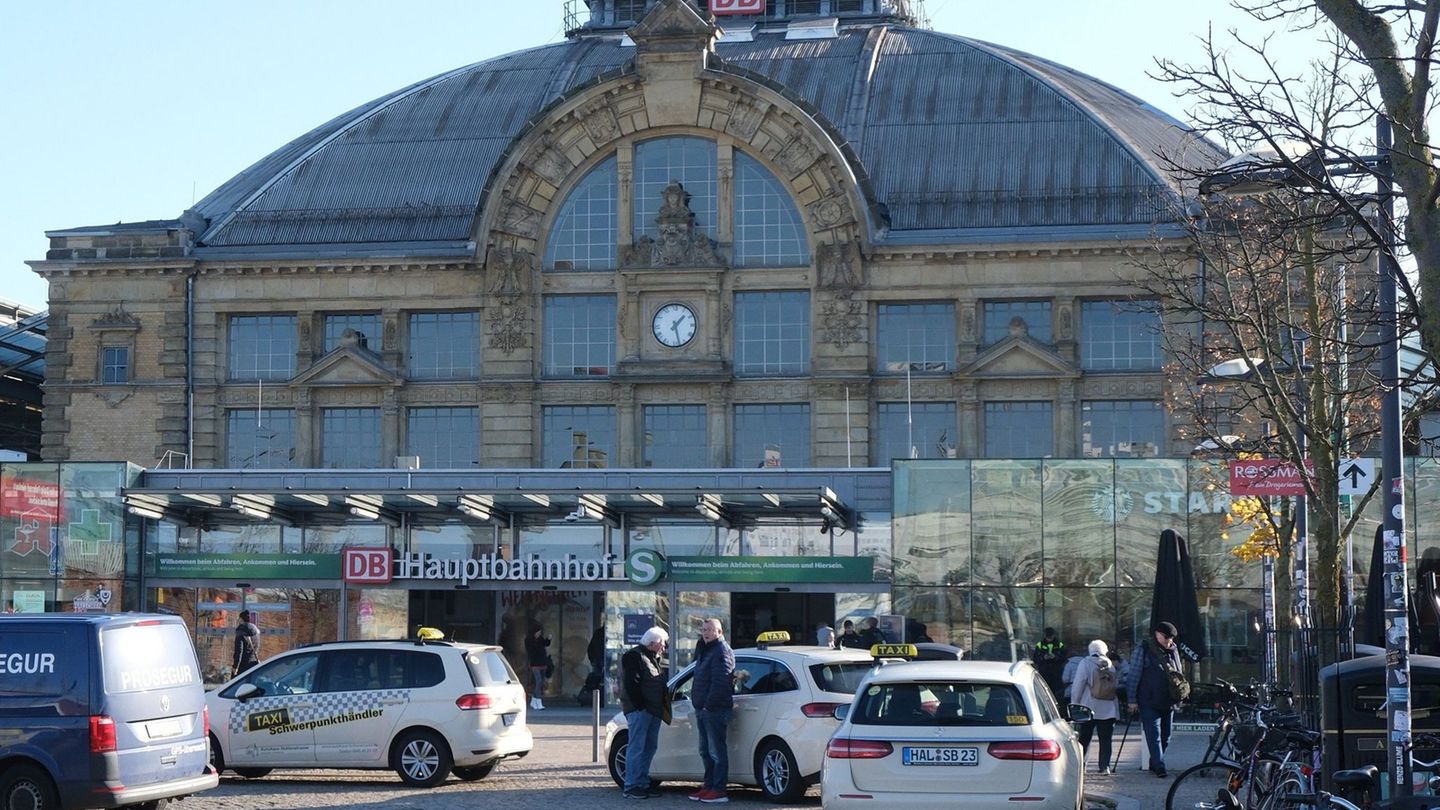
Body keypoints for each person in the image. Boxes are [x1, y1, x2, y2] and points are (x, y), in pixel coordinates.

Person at [1126, 621, 1184, 778]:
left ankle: (1154, 762)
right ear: (1157, 634)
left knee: (1166, 736)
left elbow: (1178, 673)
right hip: (1148, 700)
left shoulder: (1173, 650)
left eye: (1171, 638)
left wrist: (1180, 696)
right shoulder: (1143, 649)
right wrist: (1132, 699)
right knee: (1154, 734)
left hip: (1168, 700)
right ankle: (1159, 766)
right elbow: (1134, 675)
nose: (1169, 641)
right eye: (1166, 637)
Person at [620, 626, 669, 800]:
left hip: (653, 710)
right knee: (637, 748)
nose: (664, 647)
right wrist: (640, 706)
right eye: (662, 643)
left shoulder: (653, 658)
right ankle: (631, 786)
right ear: (652, 642)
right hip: (641, 710)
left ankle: (642, 783)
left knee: (649, 748)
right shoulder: (634, 656)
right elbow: (631, 684)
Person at [689, 618, 735, 803]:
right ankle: (708, 786)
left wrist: (709, 705)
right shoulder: (704, 649)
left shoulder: (722, 650)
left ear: (720, 632)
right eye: (704, 629)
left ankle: (719, 790)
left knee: (716, 751)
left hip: (714, 709)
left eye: (710, 630)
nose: (706, 632)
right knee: (705, 751)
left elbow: (721, 681)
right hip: (702, 709)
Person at [1069, 640, 1120, 774]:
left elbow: (1078, 686)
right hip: (1108, 709)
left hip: (1088, 707)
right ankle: (1105, 767)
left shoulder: (1085, 663)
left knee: (1084, 739)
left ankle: (1082, 766)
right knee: (1106, 740)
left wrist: (1075, 704)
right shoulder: (1110, 665)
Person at [1032, 627, 1067, 698]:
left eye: (1050, 637)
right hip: (1044, 672)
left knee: (1055, 694)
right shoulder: (1040, 645)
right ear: (1045, 636)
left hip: (1056, 673)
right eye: (1048, 637)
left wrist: (1055, 657)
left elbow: (1064, 658)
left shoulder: (1059, 645)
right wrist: (1043, 658)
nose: (1049, 639)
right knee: (1043, 692)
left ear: (1053, 635)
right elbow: (1035, 658)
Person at [526, 623, 551, 711]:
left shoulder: (540, 639)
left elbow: (546, 644)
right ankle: (538, 701)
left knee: (540, 682)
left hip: (543, 663)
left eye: (540, 632)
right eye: (537, 632)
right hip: (535, 664)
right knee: (538, 681)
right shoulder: (529, 640)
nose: (539, 634)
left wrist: (548, 639)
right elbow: (531, 650)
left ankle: (534, 700)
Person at [232, 610, 260, 675]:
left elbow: (239, 651)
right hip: (253, 664)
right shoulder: (256, 631)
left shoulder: (240, 631)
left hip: (243, 666)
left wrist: (235, 666)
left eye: (239, 618)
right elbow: (257, 647)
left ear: (241, 619)